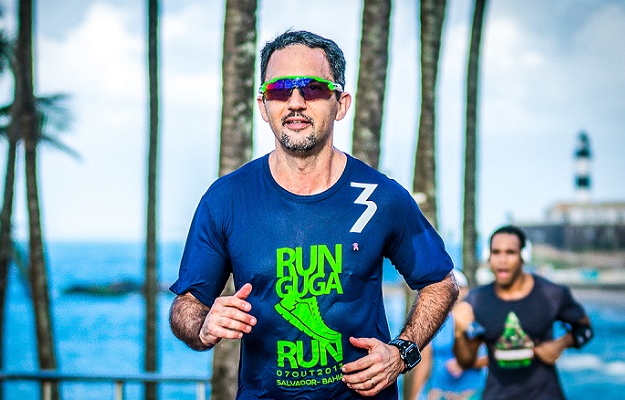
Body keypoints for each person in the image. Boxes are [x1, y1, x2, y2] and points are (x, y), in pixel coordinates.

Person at [169, 30, 458, 400]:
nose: (295, 102)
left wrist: (402, 353)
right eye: (279, 90)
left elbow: (440, 282)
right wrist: (204, 325)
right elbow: (186, 306)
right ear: (262, 105)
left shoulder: (382, 197)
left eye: (313, 88)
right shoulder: (226, 200)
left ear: (341, 103)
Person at [452, 225, 594, 400]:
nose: (502, 260)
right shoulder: (477, 301)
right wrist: (459, 332)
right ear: (489, 257)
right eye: (496, 252)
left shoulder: (551, 294)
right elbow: (465, 361)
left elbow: (585, 329)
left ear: (523, 256)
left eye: (510, 252)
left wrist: (561, 344)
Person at [410, 269, 487, 400]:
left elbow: (491, 356)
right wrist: (414, 397)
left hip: (472, 394)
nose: (453, 291)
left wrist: (464, 363)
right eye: (448, 287)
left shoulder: (477, 318)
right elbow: (424, 363)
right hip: (439, 394)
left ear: (466, 290)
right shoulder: (432, 322)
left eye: (458, 287)